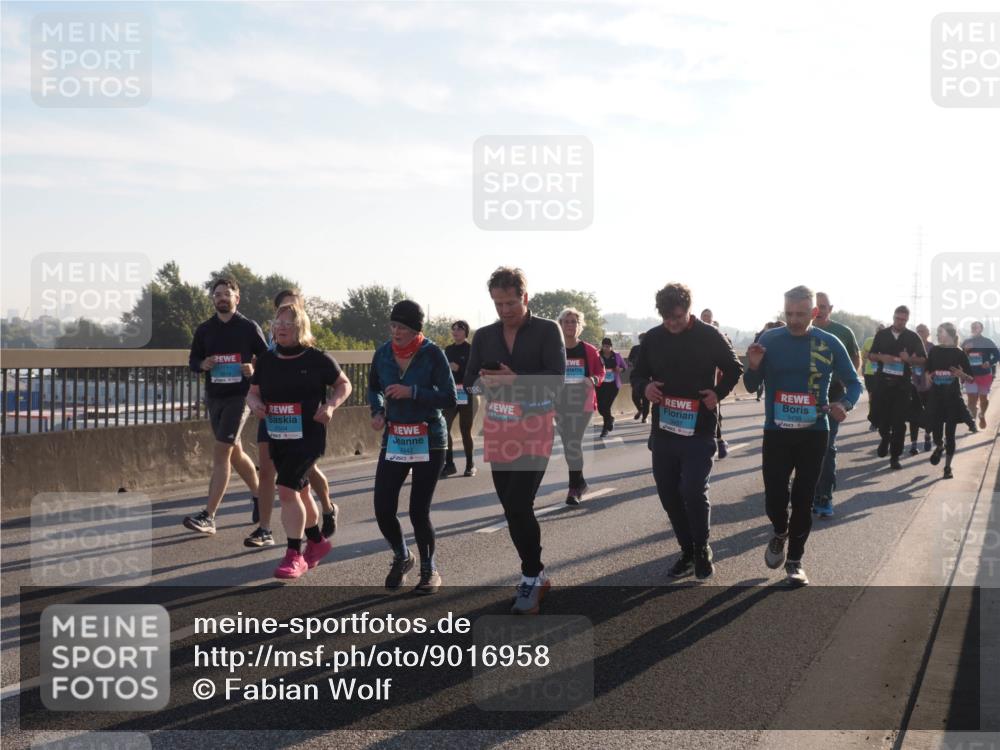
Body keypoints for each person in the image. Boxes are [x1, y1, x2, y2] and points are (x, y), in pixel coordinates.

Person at [744, 286, 862, 586]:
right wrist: (754, 366)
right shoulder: (770, 339)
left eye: (800, 314)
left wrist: (843, 404)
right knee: (775, 499)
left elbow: (854, 384)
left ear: (814, 313)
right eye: (789, 314)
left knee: (803, 498)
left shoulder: (829, 342)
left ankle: (795, 561)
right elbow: (749, 385)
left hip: (814, 433)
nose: (794, 320)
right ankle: (779, 532)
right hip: (776, 431)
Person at [465, 267, 565, 615]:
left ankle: (530, 577)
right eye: (497, 304)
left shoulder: (548, 331)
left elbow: (556, 380)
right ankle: (538, 575)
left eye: (510, 303)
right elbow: (469, 383)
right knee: (511, 508)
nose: (504, 310)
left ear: (525, 297)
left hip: (536, 429)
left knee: (520, 503)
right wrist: (484, 384)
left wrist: (517, 380)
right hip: (499, 429)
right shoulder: (484, 336)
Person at [632, 285, 743, 580]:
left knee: (692, 491)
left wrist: (717, 393)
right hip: (665, 430)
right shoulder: (654, 338)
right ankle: (687, 550)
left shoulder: (709, 335)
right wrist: (645, 386)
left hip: (699, 429)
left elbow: (734, 368)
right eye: (667, 319)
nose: (673, 324)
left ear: (689, 309)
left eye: (678, 318)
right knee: (669, 495)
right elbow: (637, 373)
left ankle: (702, 547)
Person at [246, 301, 352, 579]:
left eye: (287, 324)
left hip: (309, 436)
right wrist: (255, 404)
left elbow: (344, 384)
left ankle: (294, 554)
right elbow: (252, 391)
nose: (281, 329)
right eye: (277, 324)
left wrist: (330, 406)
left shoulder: (317, 358)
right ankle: (317, 543)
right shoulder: (267, 360)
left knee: (286, 489)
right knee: (301, 491)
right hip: (278, 435)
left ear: (300, 328)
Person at [369, 301, 456, 594]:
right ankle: (402, 556)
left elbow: (449, 397)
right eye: (393, 326)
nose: (396, 332)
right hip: (395, 437)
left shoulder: (433, 354)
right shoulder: (382, 354)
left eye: (403, 327)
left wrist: (413, 392)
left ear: (415, 329)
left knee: (419, 510)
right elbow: (374, 388)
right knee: (383, 507)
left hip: (429, 439)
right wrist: (378, 411)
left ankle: (429, 569)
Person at [184, 277, 267, 536]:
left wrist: (254, 369)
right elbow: (193, 359)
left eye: (226, 294)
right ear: (213, 299)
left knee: (221, 452)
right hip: (214, 396)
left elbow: (268, 359)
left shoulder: (248, 328)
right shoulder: (205, 330)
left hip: (239, 398)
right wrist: (202, 365)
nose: (222, 298)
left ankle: (209, 516)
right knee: (234, 452)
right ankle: (259, 495)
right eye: (217, 294)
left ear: (236, 298)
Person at [811, 292, 861, 517]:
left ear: (830, 308)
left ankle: (824, 497)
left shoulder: (842, 332)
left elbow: (856, 360)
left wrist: (845, 377)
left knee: (826, 448)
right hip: (803, 399)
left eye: (823, 306)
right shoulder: (797, 331)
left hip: (832, 398)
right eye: (815, 307)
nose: (819, 310)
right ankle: (807, 491)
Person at [556, 308, 605, 505]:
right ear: (560, 325)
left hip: (582, 403)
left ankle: (573, 488)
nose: (570, 325)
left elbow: (600, 372)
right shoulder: (554, 349)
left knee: (573, 442)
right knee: (569, 445)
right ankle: (580, 481)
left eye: (574, 321)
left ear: (579, 326)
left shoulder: (589, 350)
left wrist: (593, 379)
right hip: (559, 403)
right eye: (566, 321)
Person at [868, 306, 927, 470]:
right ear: (893, 317)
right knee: (880, 417)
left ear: (907, 320)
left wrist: (909, 359)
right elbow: (870, 355)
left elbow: (923, 359)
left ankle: (895, 457)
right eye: (897, 319)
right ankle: (885, 437)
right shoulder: (882, 334)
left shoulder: (912, 337)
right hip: (882, 383)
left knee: (899, 423)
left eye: (903, 320)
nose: (900, 322)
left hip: (902, 386)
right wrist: (881, 357)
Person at [925, 322, 975, 479]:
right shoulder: (934, 351)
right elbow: (927, 370)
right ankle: (939, 446)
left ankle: (947, 467)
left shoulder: (959, 353)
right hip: (936, 398)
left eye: (941, 332)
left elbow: (971, 378)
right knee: (937, 433)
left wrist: (961, 374)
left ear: (949, 335)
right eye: (938, 331)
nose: (938, 334)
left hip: (952, 398)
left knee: (951, 435)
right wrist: (929, 377)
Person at [441, 320, 477, 478]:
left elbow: (476, 371)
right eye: (453, 329)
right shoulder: (448, 350)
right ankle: (449, 464)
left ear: (466, 332)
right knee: (444, 428)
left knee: (465, 430)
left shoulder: (472, 349)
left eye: (459, 329)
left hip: (467, 393)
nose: (455, 332)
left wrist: (460, 368)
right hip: (452, 393)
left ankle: (470, 464)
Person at [962, 321, 999, 429]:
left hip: (984, 375)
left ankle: (982, 414)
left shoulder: (987, 342)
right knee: (971, 400)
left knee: (984, 399)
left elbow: (997, 355)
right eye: (972, 327)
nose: (973, 329)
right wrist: (965, 350)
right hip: (970, 375)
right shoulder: (967, 342)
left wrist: (990, 363)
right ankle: (973, 424)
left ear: (981, 329)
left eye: (976, 327)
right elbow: (959, 356)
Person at [908, 324, 933, 456]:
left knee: (928, 414)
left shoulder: (932, 347)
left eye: (922, 331)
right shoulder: (910, 347)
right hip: (913, 387)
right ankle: (913, 444)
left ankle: (928, 436)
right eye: (917, 331)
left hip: (929, 387)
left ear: (928, 333)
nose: (919, 333)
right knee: (913, 416)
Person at [596, 338, 626, 438]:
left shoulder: (616, 356)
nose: (606, 348)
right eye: (604, 346)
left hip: (613, 385)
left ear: (611, 346)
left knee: (606, 406)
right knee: (600, 407)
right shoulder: (597, 355)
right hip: (601, 384)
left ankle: (605, 429)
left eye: (608, 346)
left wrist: (619, 369)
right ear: (602, 346)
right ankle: (610, 419)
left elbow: (624, 367)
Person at [860, 324, 885, 431]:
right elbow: (863, 355)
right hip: (870, 373)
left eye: (882, 331)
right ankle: (873, 420)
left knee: (881, 397)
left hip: (882, 373)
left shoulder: (887, 343)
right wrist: (863, 367)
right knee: (871, 397)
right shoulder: (869, 341)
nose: (879, 333)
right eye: (878, 331)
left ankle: (880, 418)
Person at [627, 333, 650, 422]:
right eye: (640, 339)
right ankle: (640, 409)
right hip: (636, 375)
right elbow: (629, 360)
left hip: (648, 376)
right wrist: (632, 363)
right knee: (635, 397)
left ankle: (644, 417)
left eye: (643, 339)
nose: (642, 340)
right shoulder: (635, 348)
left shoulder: (651, 349)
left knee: (646, 399)